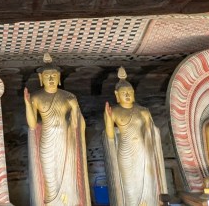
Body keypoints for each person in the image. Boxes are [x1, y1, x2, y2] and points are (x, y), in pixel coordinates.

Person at [24, 54, 91, 206]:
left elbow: (77, 125)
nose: (51, 79)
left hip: (66, 141)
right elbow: (33, 125)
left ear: (59, 77)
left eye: (54, 75)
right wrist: (28, 105)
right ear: (41, 78)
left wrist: (74, 107)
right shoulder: (36, 97)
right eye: (47, 76)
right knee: (49, 176)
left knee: (68, 172)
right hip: (47, 140)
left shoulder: (68, 97)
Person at [103, 69, 165, 206]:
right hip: (125, 152)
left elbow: (152, 132)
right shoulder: (114, 111)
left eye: (130, 92)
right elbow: (110, 136)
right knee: (129, 186)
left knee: (148, 180)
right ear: (116, 95)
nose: (127, 95)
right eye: (123, 93)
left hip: (143, 150)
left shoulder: (143, 111)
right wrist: (108, 119)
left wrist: (152, 133)